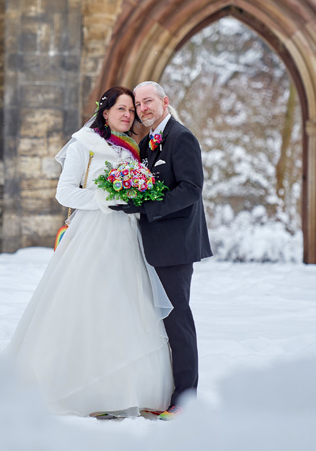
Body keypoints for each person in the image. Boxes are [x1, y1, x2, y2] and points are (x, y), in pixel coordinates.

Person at [5, 86, 173, 419]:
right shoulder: (86, 145)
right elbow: (64, 193)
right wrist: (102, 200)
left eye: (131, 110)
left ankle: (126, 388)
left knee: (127, 306)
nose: (127, 115)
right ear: (105, 112)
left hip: (128, 237)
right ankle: (81, 387)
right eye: (120, 109)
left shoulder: (133, 150)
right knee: (90, 305)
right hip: (93, 236)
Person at [111, 81, 212, 420]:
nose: (143, 109)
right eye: (138, 104)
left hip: (176, 247)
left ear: (165, 101)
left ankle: (186, 400)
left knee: (177, 320)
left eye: (148, 101)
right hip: (154, 246)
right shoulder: (149, 142)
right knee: (160, 322)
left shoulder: (181, 138)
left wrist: (145, 209)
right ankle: (163, 392)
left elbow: (190, 189)